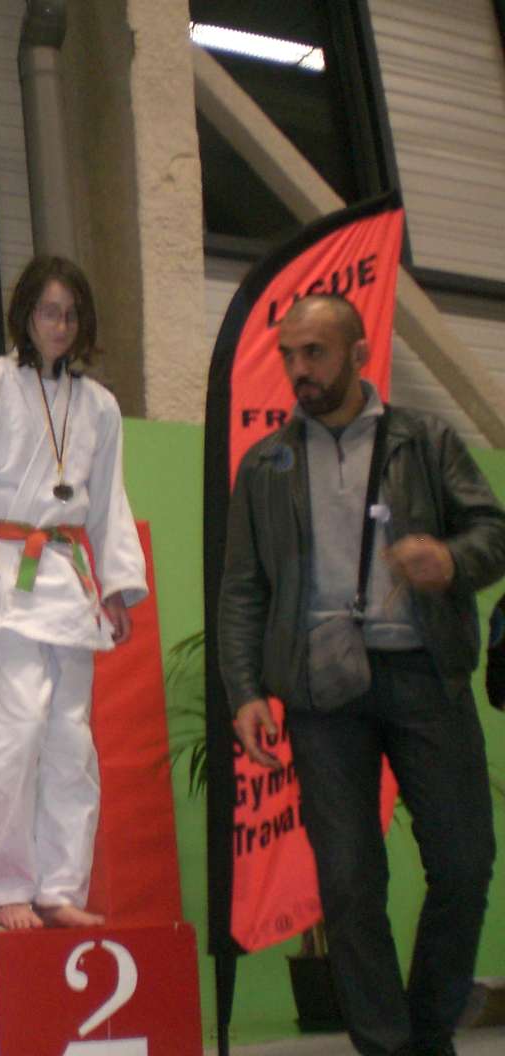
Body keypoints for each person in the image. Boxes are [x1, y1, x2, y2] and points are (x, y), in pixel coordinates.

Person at [219, 294, 505, 1056]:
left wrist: (450, 561)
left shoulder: (425, 440)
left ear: (358, 354)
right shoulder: (267, 464)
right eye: (288, 355)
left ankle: (428, 1030)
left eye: (314, 352)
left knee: (465, 864)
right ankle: (387, 1045)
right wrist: (244, 691)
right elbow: (244, 588)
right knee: (348, 883)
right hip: (321, 691)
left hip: (425, 676)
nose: (298, 370)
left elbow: (494, 532)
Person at [0, 255, 147, 929]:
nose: (60, 325)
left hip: (66, 578)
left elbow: (108, 500)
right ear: (25, 314)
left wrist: (116, 585)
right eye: (49, 312)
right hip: (2, 575)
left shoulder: (100, 406)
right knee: (15, 731)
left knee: (69, 740)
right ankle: (8, 887)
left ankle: (60, 888)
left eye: (71, 314)